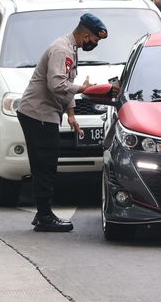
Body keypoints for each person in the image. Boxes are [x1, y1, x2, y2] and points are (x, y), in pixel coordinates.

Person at [17, 13, 107, 232]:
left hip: (44, 114)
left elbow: (65, 85)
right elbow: (57, 85)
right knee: (44, 166)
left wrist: (71, 114)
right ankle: (44, 217)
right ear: (86, 34)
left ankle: (43, 214)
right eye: (94, 40)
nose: (94, 44)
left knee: (46, 164)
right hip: (37, 114)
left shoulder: (70, 49)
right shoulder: (62, 50)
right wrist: (84, 89)